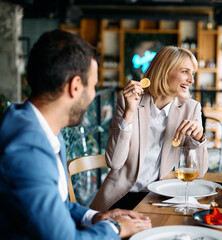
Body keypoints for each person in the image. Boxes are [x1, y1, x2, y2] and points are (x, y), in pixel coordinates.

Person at [0, 29, 151, 239]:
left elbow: (59, 205)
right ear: (76, 86)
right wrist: (116, 228)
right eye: (94, 86)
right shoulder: (27, 149)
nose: (93, 95)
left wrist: (96, 217)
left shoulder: (42, 128)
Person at [90, 46, 208, 212]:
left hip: (160, 197)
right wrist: (129, 112)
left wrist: (199, 138)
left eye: (192, 74)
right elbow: (114, 162)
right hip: (122, 196)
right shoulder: (129, 102)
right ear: (165, 71)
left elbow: (200, 172)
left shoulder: (191, 108)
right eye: (185, 72)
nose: (191, 80)